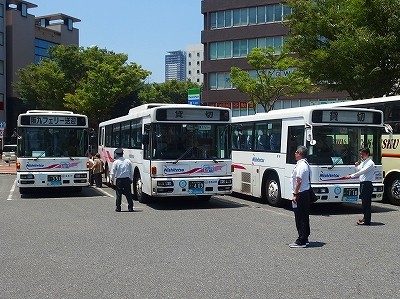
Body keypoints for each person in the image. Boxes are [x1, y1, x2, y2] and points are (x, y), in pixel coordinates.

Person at [345, 147, 375, 225]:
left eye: (363, 154)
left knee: (367, 203)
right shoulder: (364, 162)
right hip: (362, 184)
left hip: (367, 184)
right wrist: (356, 166)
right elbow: (359, 169)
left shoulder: (370, 163)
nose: (361, 155)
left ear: (367, 154)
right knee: (364, 203)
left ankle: (367, 221)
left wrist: (351, 176)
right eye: (361, 154)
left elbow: (362, 171)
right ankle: (365, 218)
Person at [289, 145, 311, 248]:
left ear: (300, 154)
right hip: (303, 193)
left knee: (300, 217)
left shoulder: (302, 165)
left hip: (301, 194)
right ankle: (305, 238)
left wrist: (295, 194)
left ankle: (301, 240)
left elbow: (299, 181)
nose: (295, 153)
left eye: (296, 152)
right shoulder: (303, 164)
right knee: (304, 216)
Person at [111, 148, 134, 212]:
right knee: (128, 194)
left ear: (117, 154)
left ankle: (118, 207)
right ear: (122, 154)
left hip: (119, 180)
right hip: (127, 179)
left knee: (119, 194)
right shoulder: (128, 161)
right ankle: (131, 207)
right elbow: (131, 172)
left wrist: (112, 180)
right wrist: (131, 179)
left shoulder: (116, 162)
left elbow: (113, 172)